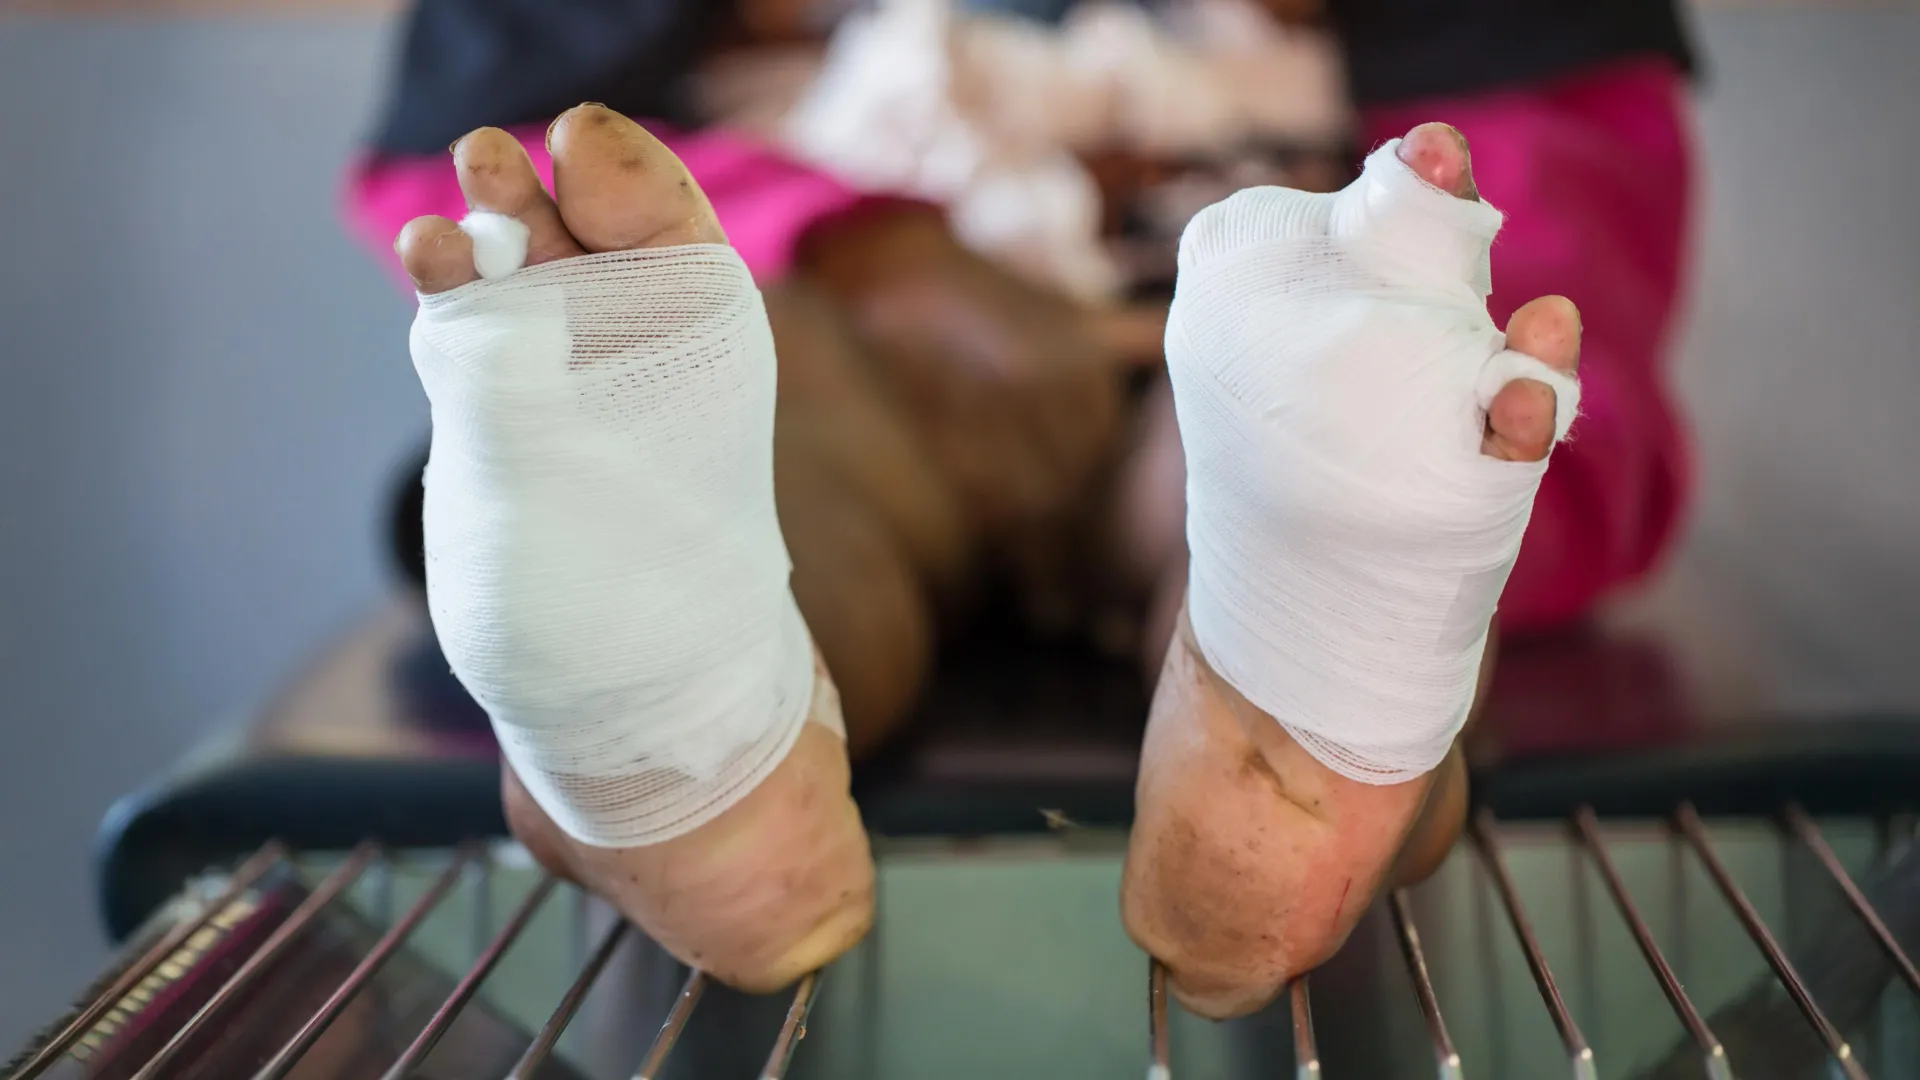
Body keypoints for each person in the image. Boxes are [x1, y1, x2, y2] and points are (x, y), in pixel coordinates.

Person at [348, 0, 1696, 1017]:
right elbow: (489, 130)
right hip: (818, 323)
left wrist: (1427, 349)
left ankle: (688, 749)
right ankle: (1329, 686)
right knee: (764, 435)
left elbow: (1563, 145)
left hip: (1228, 350)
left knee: (1334, 426)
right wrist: (864, 247)